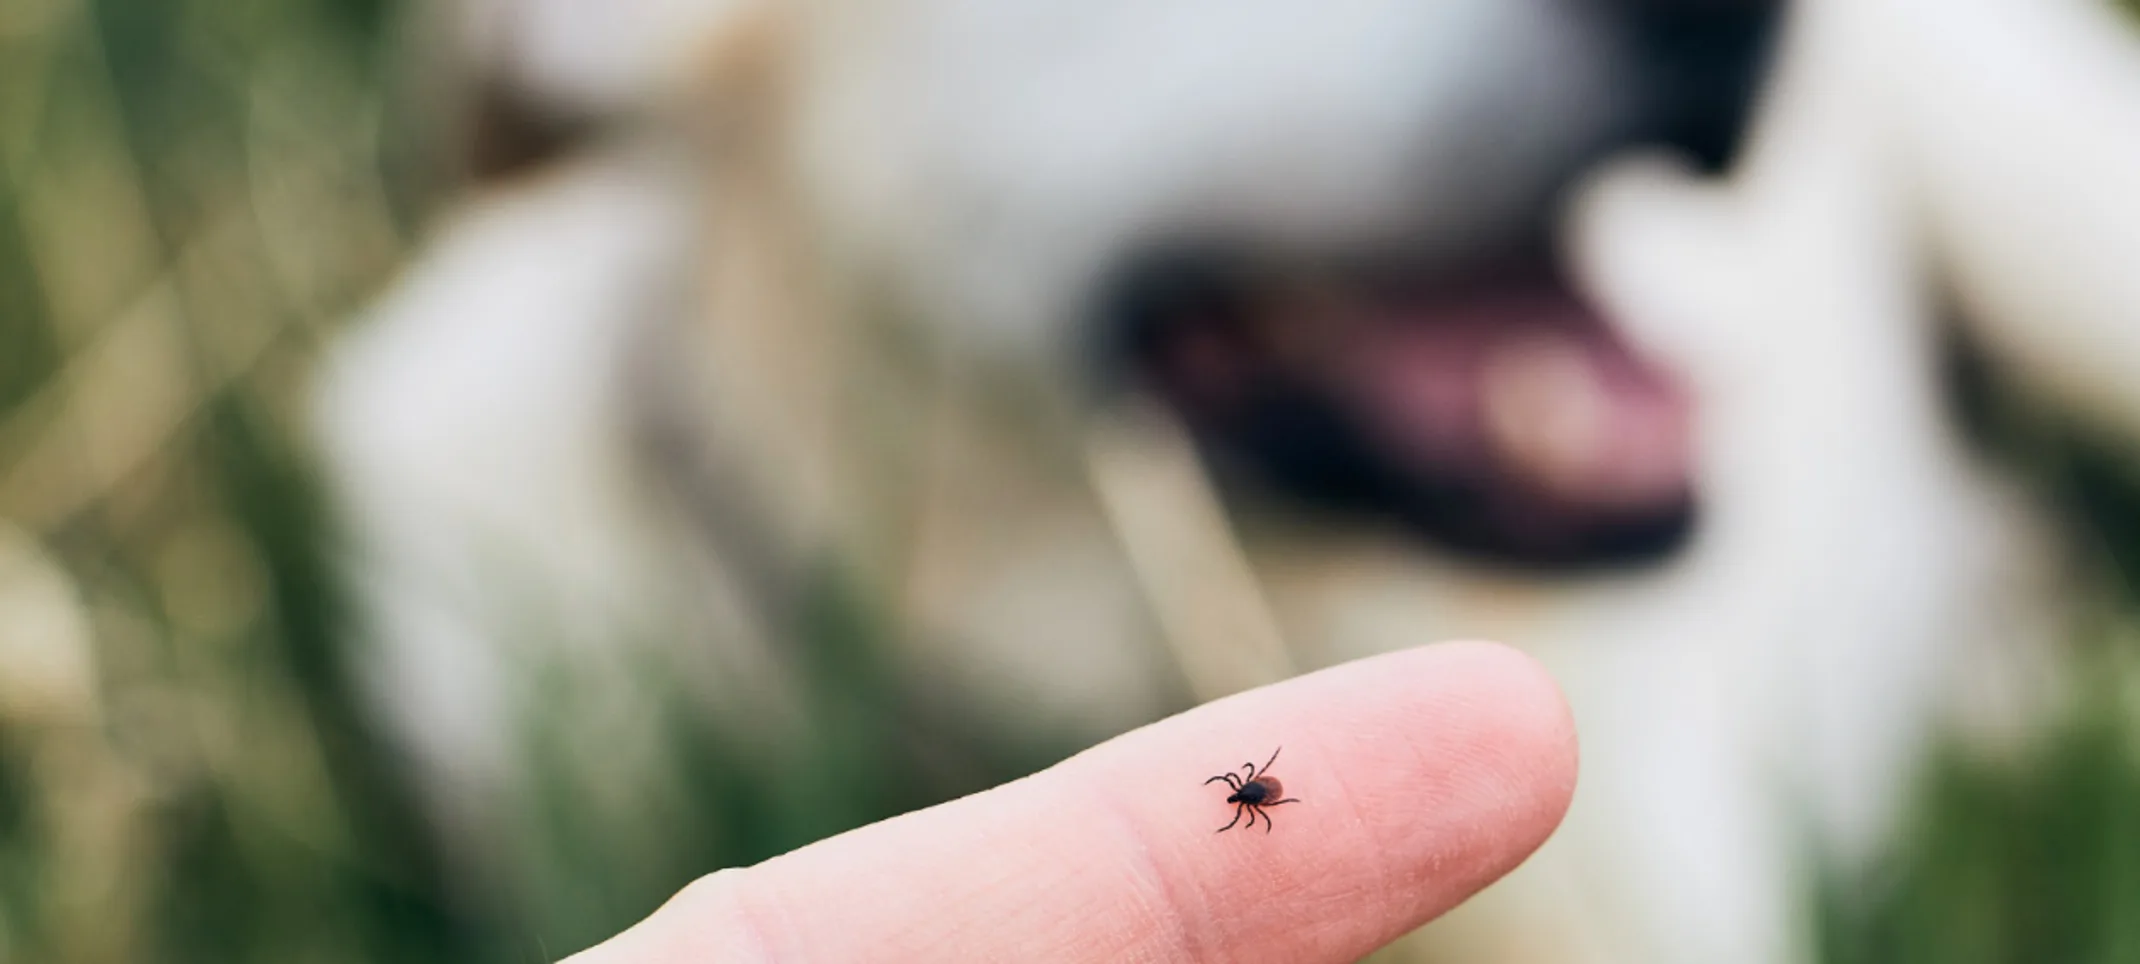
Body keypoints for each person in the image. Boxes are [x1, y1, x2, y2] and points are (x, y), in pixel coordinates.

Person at [566, 641, 1578, 962]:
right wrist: (1254, 792)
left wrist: (1244, 795)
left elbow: (1255, 787)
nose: (1246, 793)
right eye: (1247, 792)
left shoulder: (1245, 796)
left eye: (1248, 792)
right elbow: (1259, 785)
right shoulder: (1251, 794)